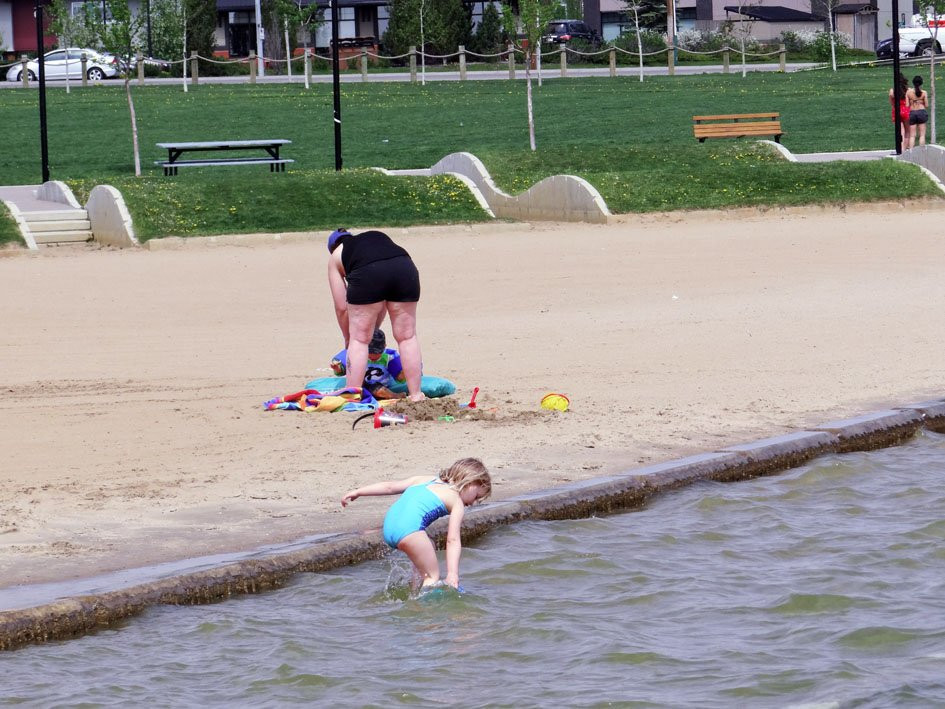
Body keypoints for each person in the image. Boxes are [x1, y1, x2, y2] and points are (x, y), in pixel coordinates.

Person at [341, 458, 492, 589]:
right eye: (476, 496)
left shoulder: (425, 479)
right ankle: (423, 609)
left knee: (429, 545)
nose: (473, 503)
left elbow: (389, 487)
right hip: (409, 532)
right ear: (469, 482)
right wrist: (453, 574)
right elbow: (452, 540)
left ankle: (415, 589)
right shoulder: (456, 501)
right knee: (432, 576)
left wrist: (359, 492)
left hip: (388, 529)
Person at [327, 228, 425, 402]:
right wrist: (373, 328)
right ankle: (416, 394)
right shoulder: (374, 240)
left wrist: (349, 338)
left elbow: (342, 307)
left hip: (368, 272)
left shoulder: (336, 256)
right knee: (407, 337)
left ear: (332, 247)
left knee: (359, 340)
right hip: (404, 267)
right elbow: (382, 300)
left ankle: (353, 395)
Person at [330, 327, 408, 399]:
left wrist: (404, 371)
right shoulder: (357, 354)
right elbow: (343, 369)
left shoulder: (389, 357)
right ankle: (392, 395)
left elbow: (400, 378)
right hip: (361, 385)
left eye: (377, 354)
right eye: (370, 354)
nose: (373, 357)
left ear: (384, 346)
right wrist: (338, 368)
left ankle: (394, 395)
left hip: (381, 386)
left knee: (379, 390)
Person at [907, 75, 929, 149]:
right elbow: (926, 105)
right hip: (921, 112)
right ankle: (921, 151)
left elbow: (907, 105)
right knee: (922, 135)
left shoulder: (908, 92)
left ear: (913, 83)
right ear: (921, 83)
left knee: (912, 135)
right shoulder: (924, 92)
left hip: (912, 112)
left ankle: (911, 151)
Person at [890, 72, 910, 146]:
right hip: (905, 110)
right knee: (907, 131)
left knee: (900, 131)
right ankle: (905, 148)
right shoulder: (907, 90)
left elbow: (892, 102)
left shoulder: (892, 90)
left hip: (897, 110)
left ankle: (900, 147)